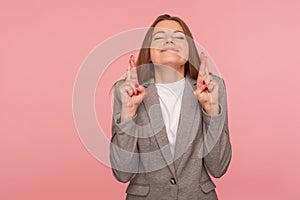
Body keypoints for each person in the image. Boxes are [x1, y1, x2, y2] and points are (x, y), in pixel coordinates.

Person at [110, 14, 232, 200]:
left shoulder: (212, 86)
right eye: (159, 37)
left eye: (178, 36)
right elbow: (122, 172)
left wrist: (211, 110)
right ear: (149, 51)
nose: (168, 40)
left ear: (189, 49)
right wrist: (128, 115)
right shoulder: (127, 90)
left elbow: (219, 168)